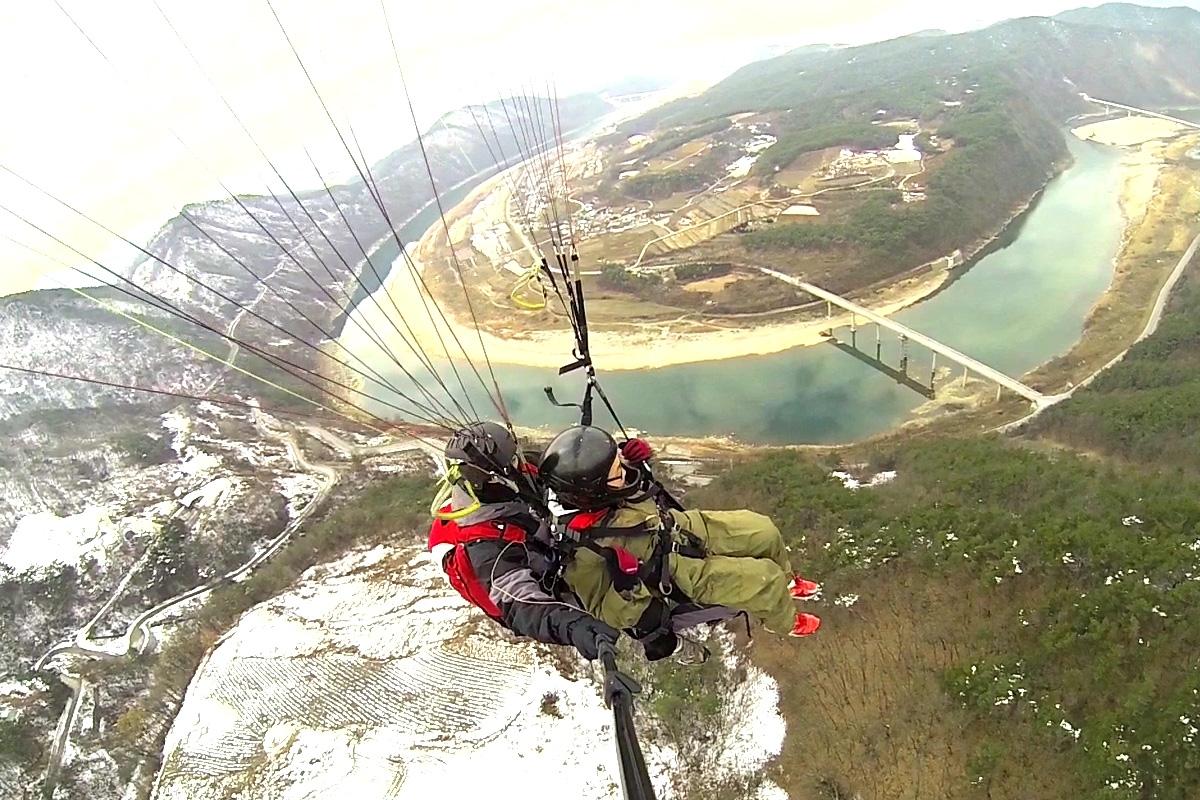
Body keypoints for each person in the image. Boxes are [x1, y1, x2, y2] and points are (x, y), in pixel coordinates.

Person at [539, 424, 821, 661]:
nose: (624, 471)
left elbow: (639, 499)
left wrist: (635, 463)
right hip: (672, 572)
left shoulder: (596, 496)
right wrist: (627, 588)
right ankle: (784, 622)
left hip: (674, 527)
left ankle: (787, 583)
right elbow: (610, 611)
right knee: (764, 579)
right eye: (617, 470)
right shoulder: (582, 553)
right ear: (594, 491)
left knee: (764, 531)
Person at [426, 421, 622, 662]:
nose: (521, 462)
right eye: (515, 461)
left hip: (538, 535)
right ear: (499, 478)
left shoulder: (511, 478)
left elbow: (571, 469)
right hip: (544, 581)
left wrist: (625, 462)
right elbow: (519, 601)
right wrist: (574, 626)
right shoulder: (485, 546)